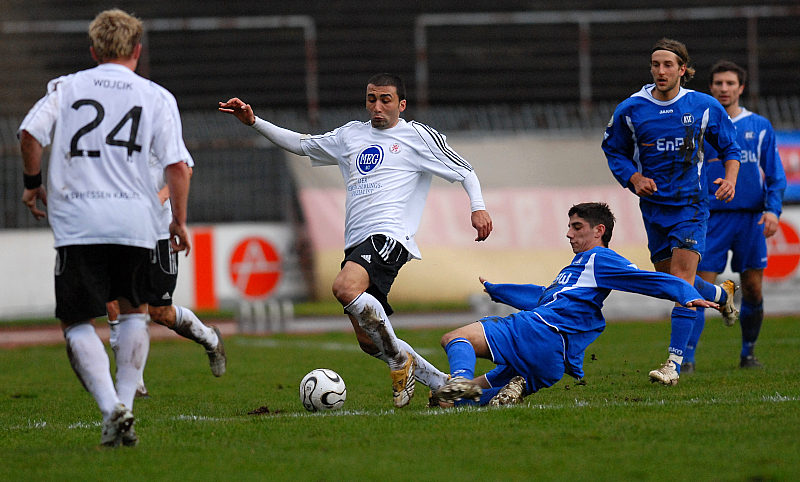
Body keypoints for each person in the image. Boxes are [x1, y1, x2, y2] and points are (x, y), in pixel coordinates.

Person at [219, 73, 493, 407]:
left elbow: (465, 170)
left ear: (401, 105)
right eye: (371, 99)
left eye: (386, 100)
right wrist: (254, 122)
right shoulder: (350, 135)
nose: (377, 107)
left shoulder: (416, 135)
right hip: (358, 242)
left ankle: (399, 361)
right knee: (369, 340)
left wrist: (477, 208)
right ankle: (442, 386)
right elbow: (302, 145)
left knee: (345, 288)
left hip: (390, 235)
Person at [18, 9, 192, 447]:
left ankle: (109, 407)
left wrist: (32, 184)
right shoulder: (157, 96)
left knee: (77, 321)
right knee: (135, 310)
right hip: (136, 221)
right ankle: (126, 406)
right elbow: (177, 167)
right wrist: (178, 221)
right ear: (136, 50)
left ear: (93, 51)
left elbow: (28, 135)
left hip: (79, 221)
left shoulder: (66, 86)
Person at [429, 202, 719, 407]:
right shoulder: (578, 267)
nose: (569, 233)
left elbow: (643, 278)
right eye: (569, 226)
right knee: (465, 396)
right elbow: (543, 296)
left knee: (454, 338)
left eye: (576, 226)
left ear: (599, 231)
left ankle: (460, 382)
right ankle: (489, 392)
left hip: (540, 331)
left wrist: (683, 291)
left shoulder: (600, 258)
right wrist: (499, 291)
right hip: (554, 358)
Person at [602, 38, 742, 386]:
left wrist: (730, 178)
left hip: (691, 205)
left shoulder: (703, 105)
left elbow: (730, 146)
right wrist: (634, 177)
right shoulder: (632, 109)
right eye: (655, 64)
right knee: (670, 282)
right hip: (653, 208)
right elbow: (612, 149)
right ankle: (722, 296)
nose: (660, 71)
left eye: (668, 65)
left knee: (679, 282)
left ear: (683, 69)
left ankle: (674, 363)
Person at [683, 60, 787, 373]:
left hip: (751, 220)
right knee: (699, 288)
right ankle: (685, 358)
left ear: (740, 88)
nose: (724, 89)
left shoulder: (759, 126)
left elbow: (775, 175)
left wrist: (772, 209)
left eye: (730, 84)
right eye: (718, 84)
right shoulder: (701, 125)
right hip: (709, 218)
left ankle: (748, 353)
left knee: (753, 288)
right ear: (710, 88)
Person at [106, 159, 226, 399]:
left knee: (159, 312)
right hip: (119, 231)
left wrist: (160, 197)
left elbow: (185, 169)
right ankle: (134, 382)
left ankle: (209, 337)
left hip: (159, 235)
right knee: (115, 301)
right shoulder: (108, 127)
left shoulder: (161, 124)